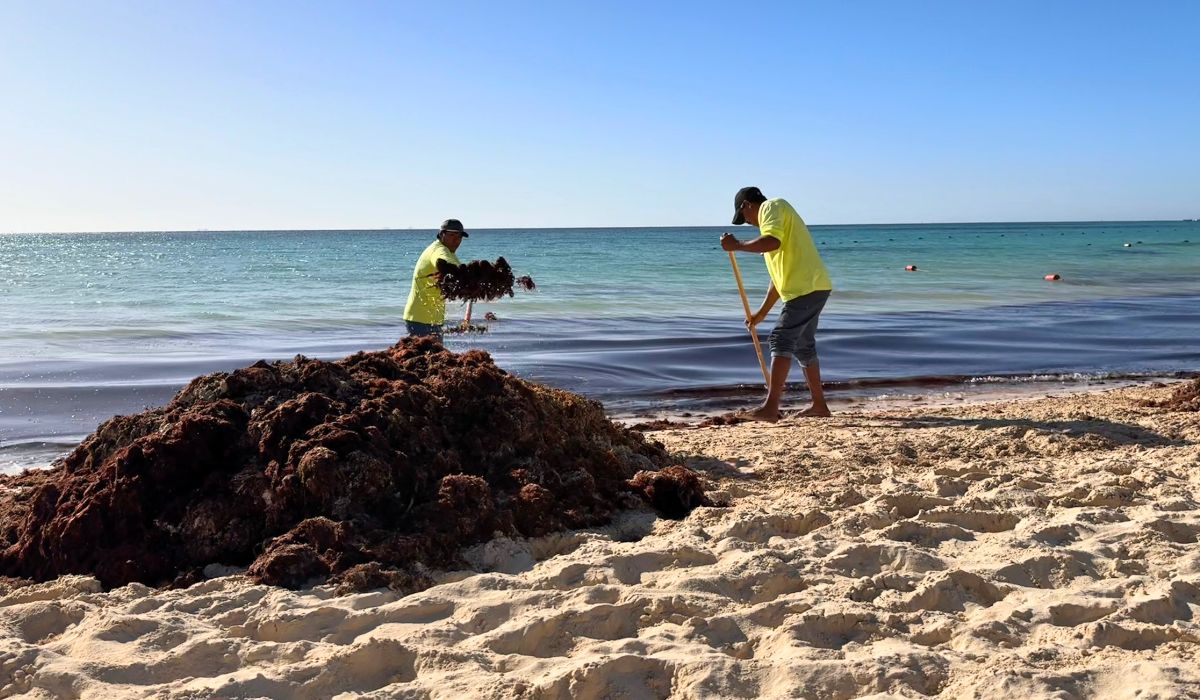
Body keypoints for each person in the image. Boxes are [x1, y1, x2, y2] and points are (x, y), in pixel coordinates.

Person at [721, 186, 833, 421]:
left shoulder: (772, 207)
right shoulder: (775, 227)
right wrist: (760, 314)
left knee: (780, 338)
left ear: (747, 205)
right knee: (804, 346)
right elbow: (777, 279)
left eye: (744, 218)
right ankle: (819, 406)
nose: (749, 223)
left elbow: (772, 242)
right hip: (811, 287)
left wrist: (738, 245)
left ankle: (770, 408)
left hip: (806, 287)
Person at [403, 219, 468, 340]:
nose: (456, 240)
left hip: (430, 319)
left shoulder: (448, 252)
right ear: (442, 234)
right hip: (421, 320)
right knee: (427, 357)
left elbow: (457, 271)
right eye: (452, 235)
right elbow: (445, 262)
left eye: (459, 236)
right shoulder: (439, 250)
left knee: (433, 356)